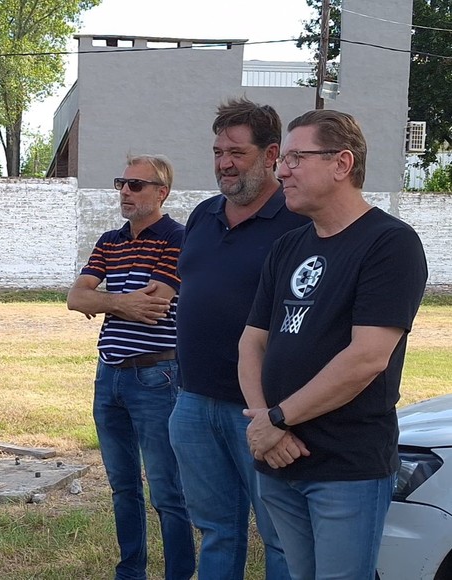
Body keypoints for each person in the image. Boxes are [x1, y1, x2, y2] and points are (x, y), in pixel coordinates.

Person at [239, 109, 428, 579]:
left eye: (297, 158)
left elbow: (367, 358)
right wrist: (267, 425)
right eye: (283, 158)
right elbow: (250, 343)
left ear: (342, 164)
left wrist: (277, 420)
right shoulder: (288, 246)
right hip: (279, 460)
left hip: (346, 467)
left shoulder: (390, 244)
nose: (281, 170)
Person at [168, 97, 309, 579]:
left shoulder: (298, 223)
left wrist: (278, 413)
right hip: (192, 400)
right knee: (215, 529)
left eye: (237, 152)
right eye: (217, 152)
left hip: (261, 409)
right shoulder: (204, 216)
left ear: (272, 155)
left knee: (281, 538)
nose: (224, 163)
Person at [67, 154, 195, 580]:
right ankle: (131, 572)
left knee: (167, 491)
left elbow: (155, 305)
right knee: (123, 487)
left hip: (157, 376)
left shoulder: (178, 238)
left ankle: (178, 573)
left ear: (162, 192)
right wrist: (121, 303)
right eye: (122, 182)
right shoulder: (110, 240)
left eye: (137, 185)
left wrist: (103, 301)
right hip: (109, 375)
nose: (125, 190)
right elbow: (75, 297)